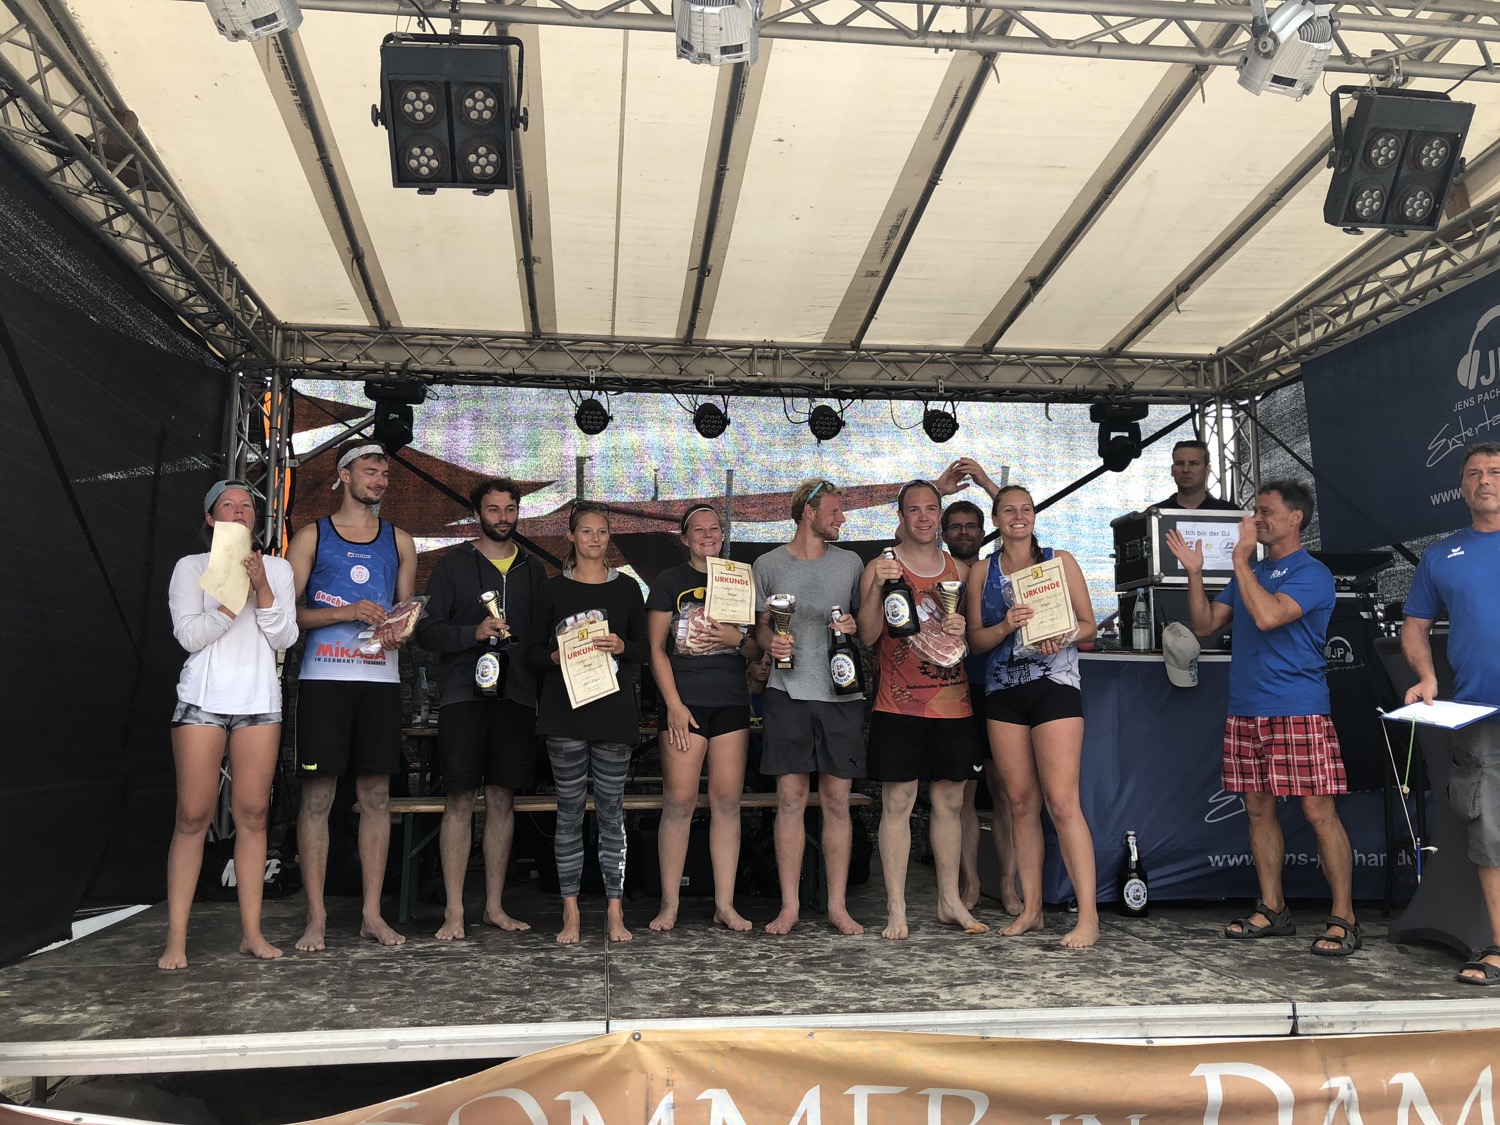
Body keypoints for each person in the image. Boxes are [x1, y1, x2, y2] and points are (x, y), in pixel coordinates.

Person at [1166, 480, 1360, 956]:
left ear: (1296, 517)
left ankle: (1345, 918)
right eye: (1255, 511)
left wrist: (1238, 561)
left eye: (1266, 511)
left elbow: (1270, 616)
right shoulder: (1251, 572)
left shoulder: (1312, 573)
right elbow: (1205, 625)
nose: (1256, 519)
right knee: (1257, 810)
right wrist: (1195, 573)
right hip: (1246, 708)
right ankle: (1273, 908)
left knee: (1318, 812)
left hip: (1298, 707)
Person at [159, 481, 299, 970]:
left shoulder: (278, 568)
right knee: (192, 816)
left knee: (253, 816)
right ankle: (176, 939)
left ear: (256, 519)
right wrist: (227, 602)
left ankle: (252, 933)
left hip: (258, 701)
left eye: (247, 506)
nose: (239, 512)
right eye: (228, 505)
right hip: (203, 701)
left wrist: (261, 586)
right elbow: (188, 636)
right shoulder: (191, 567)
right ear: (211, 518)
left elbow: (285, 636)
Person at [287, 441, 416, 951]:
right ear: (344, 475)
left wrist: (401, 630)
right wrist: (344, 612)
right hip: (324, 680)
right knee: (318, 797)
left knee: (377, 797)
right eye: (369, 471)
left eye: (384, 474)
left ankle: (371, 914)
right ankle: (316, 917)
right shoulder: (311, 535)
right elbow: (285, 617)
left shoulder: (399, 540)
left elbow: (407, 614)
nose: (379, 480)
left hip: (380, 681)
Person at [964, 484, 1100, 948]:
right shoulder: (982, 571)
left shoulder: (1060, 561)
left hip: (1054, 686)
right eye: (1009, 510)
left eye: (1026, 509)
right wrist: (1006, 625)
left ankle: (1088, 918)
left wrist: (1062, 635)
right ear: (996, 520)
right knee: (1021, 804)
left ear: (1034, 516)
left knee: (1062, 803)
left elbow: (1088, 625)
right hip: (1003, 692)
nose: (1018, 516)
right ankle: (1033, 910)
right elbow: (975, 642)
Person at [414, 478, 545, 940]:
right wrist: (472, 633)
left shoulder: (533, 569)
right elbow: (426, 632)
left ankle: (493, 906)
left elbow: (540, 639)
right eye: (493, 510)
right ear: (477, 514)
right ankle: (454, 910)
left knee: (503, 800)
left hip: (517, 698)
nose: (503, 518)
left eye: (510, 509)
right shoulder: (453, 566)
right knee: (459, 800)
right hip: (462, 697)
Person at [859, 480, 985, 939]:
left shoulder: (961, 570)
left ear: (940, 516)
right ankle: (897, 908)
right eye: (915, 510)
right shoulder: (881, 566)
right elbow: (867, 635)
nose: (925, 517)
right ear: (901, 517)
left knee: (950, 803)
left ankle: (949, 901)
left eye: (932, 509)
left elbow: (977, 639)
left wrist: (963, 626)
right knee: (898, 804)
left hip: (954, 704)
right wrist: (876, 587)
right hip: (898, 704)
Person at [1401, 441, 1500, 983]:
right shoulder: (1442, 555)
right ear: (1462, 487)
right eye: (1474, 473)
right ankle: (1499, 949)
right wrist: (1426, 676)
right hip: (1480, 713)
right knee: (1490, 830)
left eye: (1495, 471)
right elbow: (1415, 626)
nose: (1485, 480)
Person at [530, 501, 649, 944]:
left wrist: (622, 646)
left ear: (609, 536)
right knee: (569, 813)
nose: (595, 539)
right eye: (586, 531)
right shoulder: (552, 590)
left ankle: (615, 912)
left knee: (612, 813)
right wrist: (555, 656)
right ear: (571, 536)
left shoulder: (628, 589)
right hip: (564, 714)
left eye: (602, 531)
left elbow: (644, 648)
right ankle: (571, 912)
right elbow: (529, 652)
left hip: (613, 715)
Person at [753, 479, 866, 936]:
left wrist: (855, 624)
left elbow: (867, 625)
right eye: (835, 511)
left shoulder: (852, 563)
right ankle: (790, 906)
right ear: (809, 513)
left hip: (842, 693)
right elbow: (760, 628)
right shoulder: (767, 564)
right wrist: (771, 642)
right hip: (787, 692)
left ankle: (838, 907)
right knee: (790, 800)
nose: (843, 518)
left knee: (837, 801)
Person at [646, 505, 761, 933]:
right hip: (686, 703)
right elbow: (656, 649)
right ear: (684, 537)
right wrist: (674, 705)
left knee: (727, 803)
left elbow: (755, 650)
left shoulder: (739, 578)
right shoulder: (669, 581)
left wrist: (737, 639)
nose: (707, 535)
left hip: (731, 702)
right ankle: (670, 904)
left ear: (723, 535)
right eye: (699, 529)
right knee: (679, 802)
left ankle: (724, 905)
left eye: (714, 528)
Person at [941, 497, 1022, 917]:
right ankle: (971, 885)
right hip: (954, 690)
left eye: (971, 525)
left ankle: (1008, 886)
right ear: (944, 533)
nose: (964, 532)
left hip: (999, 686)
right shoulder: (938, 571)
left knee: (1006, 791)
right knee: (963, 794)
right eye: (955, 526)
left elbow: (1021, 528)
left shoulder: (997, 570)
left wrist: (992, 487)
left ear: (984, 529)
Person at [1159, 440, 1241, 511]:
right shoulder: (1156, 514)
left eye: (1194, 463)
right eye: (1180, 463)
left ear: (1207, 469)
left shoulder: (1229, 511)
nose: (1186, 470)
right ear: (1172, 470)